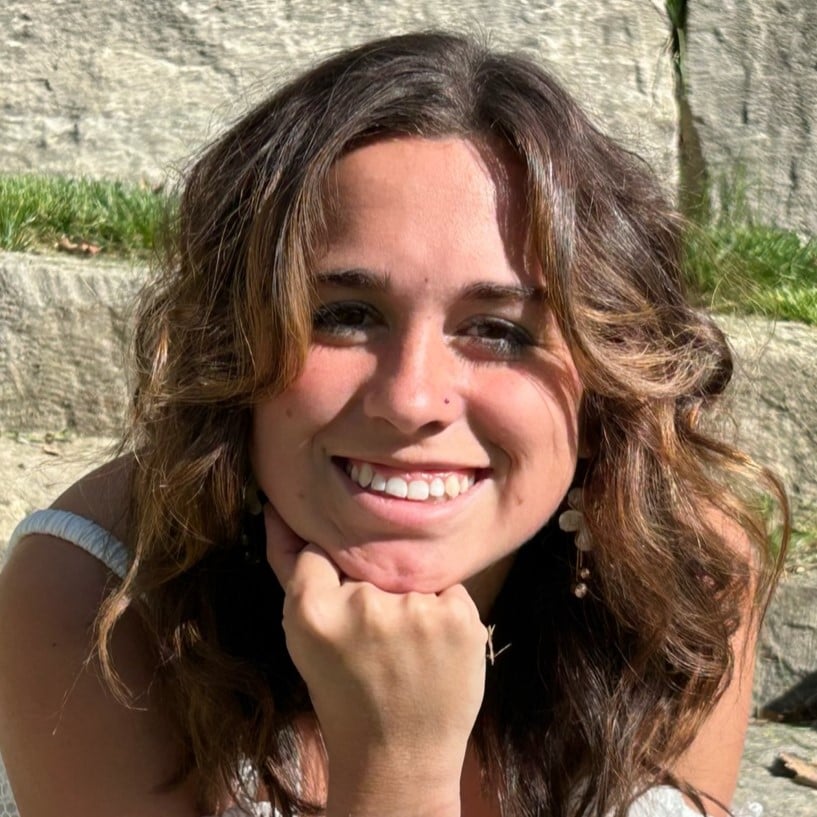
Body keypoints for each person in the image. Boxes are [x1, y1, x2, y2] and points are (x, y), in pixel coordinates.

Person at [0, 31, 787, 817]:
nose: (411, 399)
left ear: (606, 381)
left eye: (498, 330)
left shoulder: (687, 576)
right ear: (232, 347)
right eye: (345, 316)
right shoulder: (92, 598)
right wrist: (396, 767)